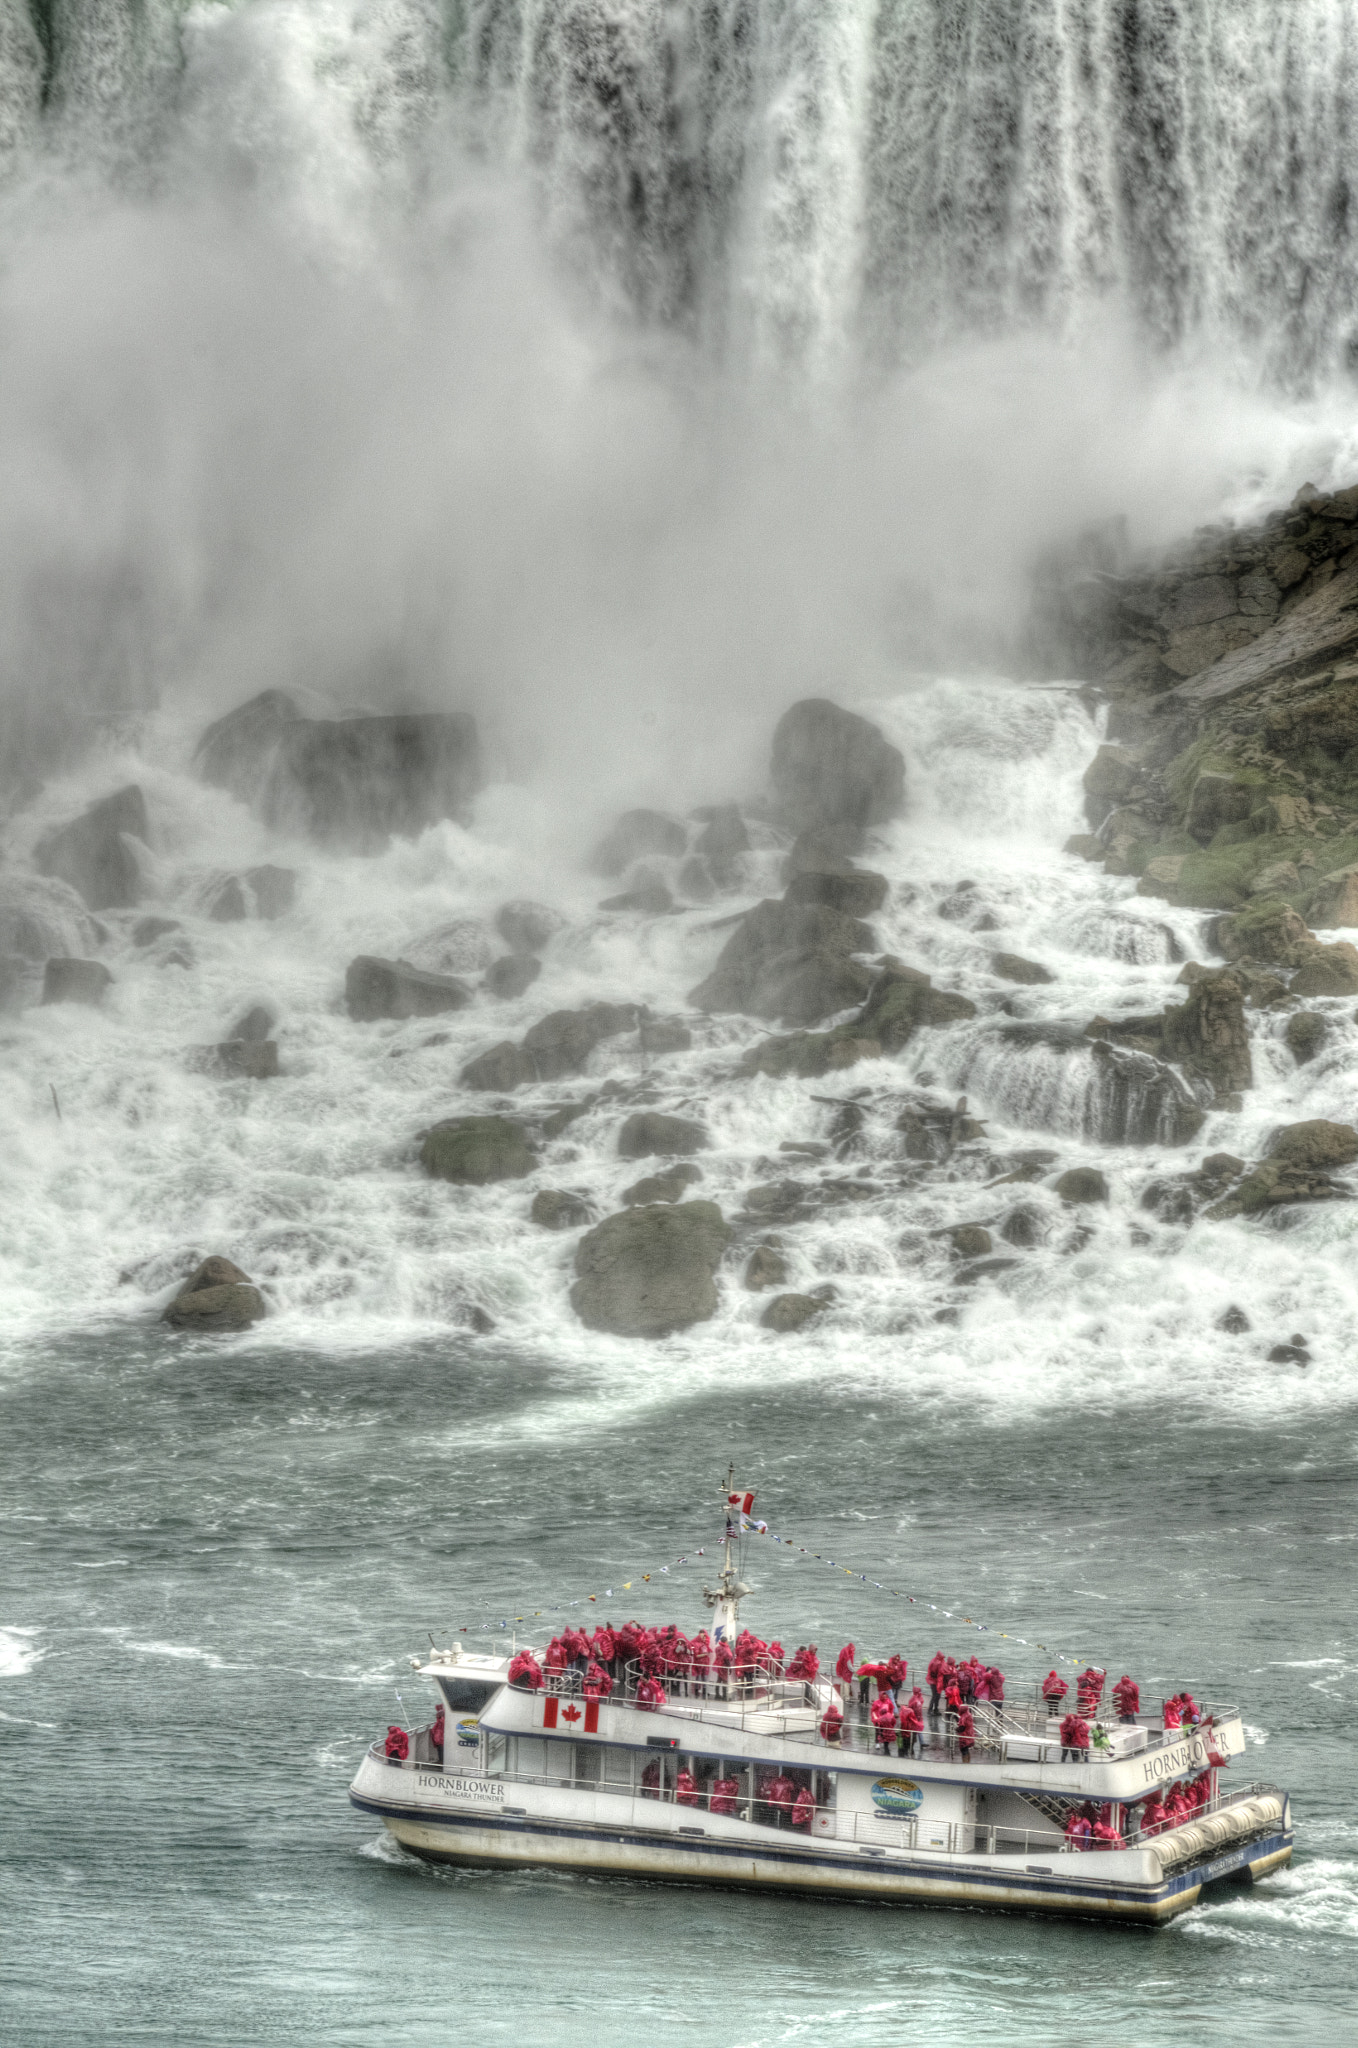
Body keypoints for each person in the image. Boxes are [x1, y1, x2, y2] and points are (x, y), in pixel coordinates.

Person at [898, 1688, 925, 1759]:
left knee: (913, 1736)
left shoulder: (915, 1699)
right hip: (915, 1720)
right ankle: (915, 1747)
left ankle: (909, 1750)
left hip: (914, 1720)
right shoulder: (918, 1699)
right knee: (915, 1734)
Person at [927, 1650, 946, 1716]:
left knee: (938, 1696)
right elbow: (934, 1673)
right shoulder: (936, 1662)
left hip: (939, 1682)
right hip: (934, 1682)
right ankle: (930, 1710)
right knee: (934, 1696)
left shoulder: (941, 1662)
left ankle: (936, 1709)